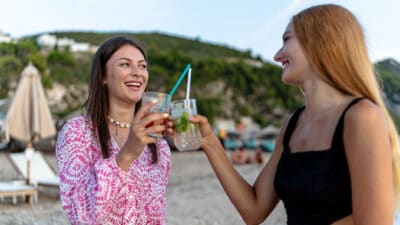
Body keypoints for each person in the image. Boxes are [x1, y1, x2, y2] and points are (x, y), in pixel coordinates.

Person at [188, 4, 400, 225]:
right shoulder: (293, 124)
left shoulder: (361, 117)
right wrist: (209, 142)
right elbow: (254, 209)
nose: (277, 55)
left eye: (286, 40)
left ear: (321, 41)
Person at [56, 36, 172, 224]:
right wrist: (126, 155)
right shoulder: (76, 132)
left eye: (142, 66)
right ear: (102, 76)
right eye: (125, 64)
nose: (137, 73)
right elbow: (79, 214)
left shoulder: (158, 145)